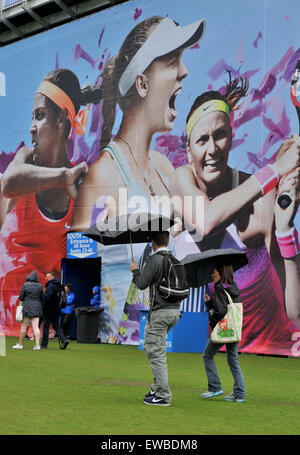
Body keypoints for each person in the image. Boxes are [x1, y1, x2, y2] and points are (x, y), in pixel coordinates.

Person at [71, 15, 206, 344]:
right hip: (119, 336)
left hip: (164, 325)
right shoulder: (102, 174)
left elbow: (195, 232)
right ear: (142, 84)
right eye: (173, 61)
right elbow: (80, 260)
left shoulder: (163, 166)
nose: (184, 71)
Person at [171, 72, 300, 354]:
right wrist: (275, 170)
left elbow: (296, 313)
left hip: (263, 352)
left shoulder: (263, 202)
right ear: (188, 149)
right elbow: (206, 222)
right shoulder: (182, 180)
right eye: (202, 140)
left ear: (231, 137)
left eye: (220, 135)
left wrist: (286, 229)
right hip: (196, 346)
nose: (212, 148)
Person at [0, 67, 102, 336]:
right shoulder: (23, 161)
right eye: (32, 117)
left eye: (40, 116)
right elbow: (8, 184)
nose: (32, 127)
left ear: (62, 119)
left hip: (36, 326)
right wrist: (63, 176)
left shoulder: (80, 190)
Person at [130, 231, 181, 407]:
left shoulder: (155, 260)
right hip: (174, 311)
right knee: (155, 350)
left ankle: (163, 395)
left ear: (153, 242)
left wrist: (135, 271)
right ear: (168, 241)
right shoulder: (174, 259)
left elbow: (141, 283)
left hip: (160, 312)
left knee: (155, 352)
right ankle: (156, 388)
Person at [201, 263, 246, 402]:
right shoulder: (233, 287)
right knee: (233, 360)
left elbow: (220, 311)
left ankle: (215, 387)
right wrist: (211, 303)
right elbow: (225, 306)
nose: (212, 275)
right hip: (234, 329)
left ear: (221, 273)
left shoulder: (219, 287)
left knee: (207, 356)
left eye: (214, 272)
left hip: (223, 329)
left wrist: (213, 323)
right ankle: (239, 393)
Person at [12, 270, 44, 351]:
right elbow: (42, 298)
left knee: (24, 326)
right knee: (36, 327)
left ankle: (20, 344)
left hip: (27, 306)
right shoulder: (40, 286)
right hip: (37, 306)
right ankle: (37, 345)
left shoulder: (25, 285)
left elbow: (21, 297)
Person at [41, 271, 69, 350]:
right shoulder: (60, 285)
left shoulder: (51, 286)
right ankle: (64, 339)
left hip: (49, 309)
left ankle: (44, 345)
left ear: (52, 277)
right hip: (57, 309)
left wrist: (44, 307)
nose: (46, 278)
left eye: (48, 277)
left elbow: (47, 298)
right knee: (56, 326)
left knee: (46, 326)